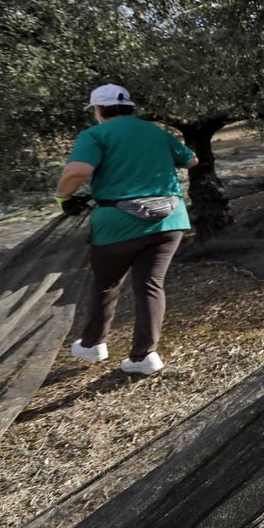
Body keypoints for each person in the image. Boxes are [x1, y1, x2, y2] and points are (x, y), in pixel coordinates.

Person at [55, 84, 198, 375]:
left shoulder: (95, 135)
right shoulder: (155, 131)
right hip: (169, 220)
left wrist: (63, 198)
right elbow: (192, 160)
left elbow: (77, 171)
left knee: (106, 283)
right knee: (150, 284)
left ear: (99, 109)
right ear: (129, 107)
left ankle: (93, 344)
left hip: (118, 223)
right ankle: (144, 356)